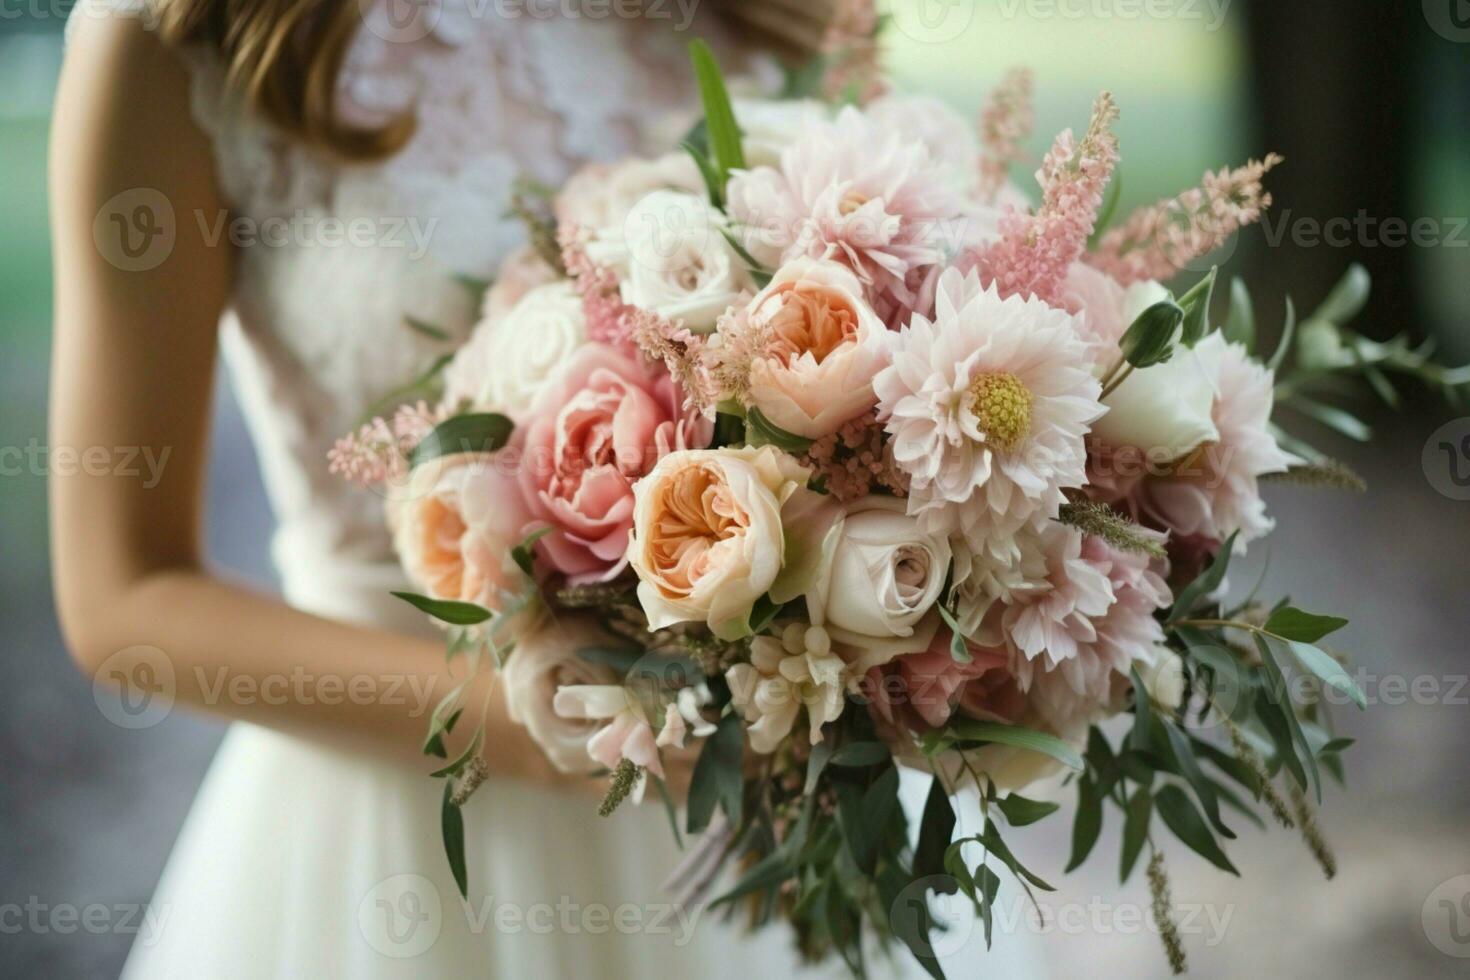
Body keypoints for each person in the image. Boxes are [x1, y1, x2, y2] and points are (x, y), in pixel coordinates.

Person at [49, 1, 1049, 975]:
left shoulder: (775, 13)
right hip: (407, 824)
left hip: (762, 810)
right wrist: (558, 725)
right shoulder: (172, 38)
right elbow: (123, 599)